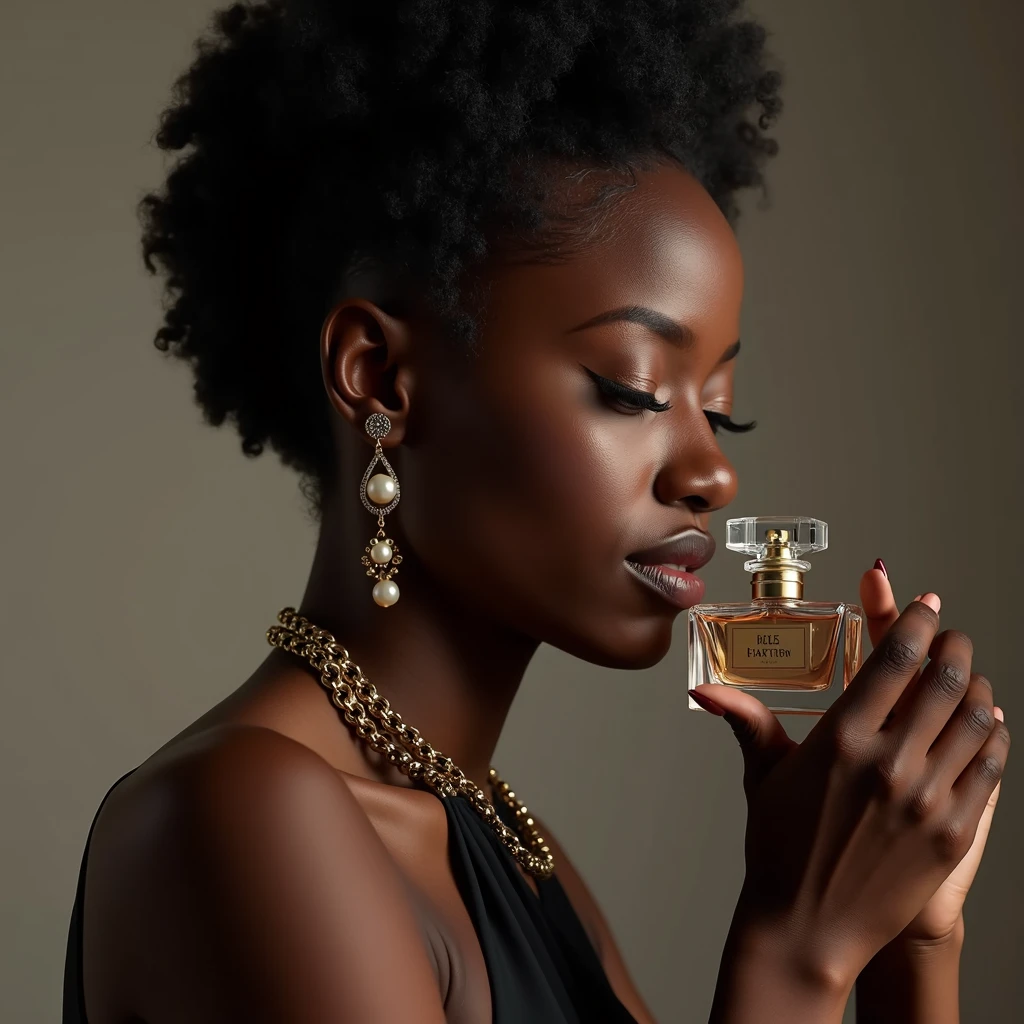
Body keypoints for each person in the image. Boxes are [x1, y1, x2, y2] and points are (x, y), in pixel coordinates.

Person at [62, 2, 1010, 1022]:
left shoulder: (523, 859)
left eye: (720, 414)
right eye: (633, 389)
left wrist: (909, 941)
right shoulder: (237, 820)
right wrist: (798, 951)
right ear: (379, 376)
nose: (711, 474)